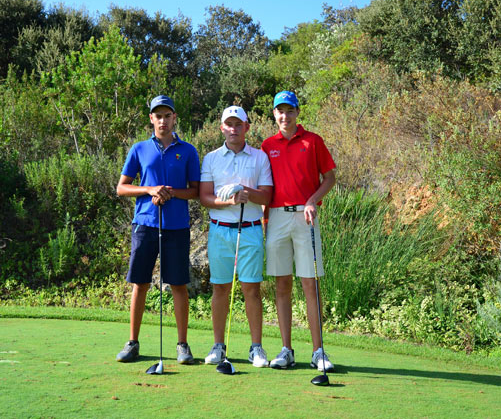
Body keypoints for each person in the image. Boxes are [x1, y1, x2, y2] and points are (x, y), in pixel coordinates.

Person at [115, 95, 200, 365]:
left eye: (167, 115)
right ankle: (132, 343)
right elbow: (122, 187)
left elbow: (195, 191)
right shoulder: (139, 149)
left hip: (176, 226)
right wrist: (150, 189)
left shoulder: (187, 150)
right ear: (151, 118)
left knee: (177, 285)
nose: (163, 120)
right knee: (140, 283)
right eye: (158, 116)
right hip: (145, 224)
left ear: (174, 118)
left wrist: (171, 193)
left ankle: (183, 345)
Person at [261, 91, 336, 372]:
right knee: (281, 285)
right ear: (274, 114)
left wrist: (312, 200)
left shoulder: (313, 141)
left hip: (306, 218)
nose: (285, 116)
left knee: (310, 285)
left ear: (297, 112)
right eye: (279, 111)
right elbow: (265, 185)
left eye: (289, 110)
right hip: (277, 218)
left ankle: (318, 351)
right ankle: (286, 350)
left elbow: (330, 177)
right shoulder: (267, 145)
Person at [199, 106, 273, 367]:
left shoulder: (260, 158)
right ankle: (218, 346)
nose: (233, 129)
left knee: (251, 289)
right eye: (229, 124)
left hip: (251, 229)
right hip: (220, 230)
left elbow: (267, 196)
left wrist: (246, 193)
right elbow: (204, 197)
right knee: (220, 288)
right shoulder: (211, 158)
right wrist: (227, 201)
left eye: (238, 124)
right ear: (222, 128)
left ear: (247, 127)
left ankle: (256, 348)